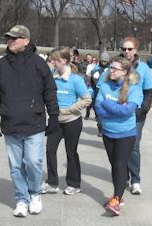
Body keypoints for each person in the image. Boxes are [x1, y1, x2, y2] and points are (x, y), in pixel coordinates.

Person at [0, 25, 59, 217]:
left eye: (14, 38)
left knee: (33, 162)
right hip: (10, 125)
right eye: (8, 38)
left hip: (34, 124)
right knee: (16, 166)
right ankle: (21, 199)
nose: (10, 41)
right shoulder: (0, 64)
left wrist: (54, 116)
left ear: (26, 40)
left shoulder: (38, 63)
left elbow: (50, 91)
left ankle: (35, 193)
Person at [95, 56, 143, 216]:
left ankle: (116, 198)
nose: (111, 70)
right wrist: (114, 110)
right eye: (110, 67)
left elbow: (126, 111)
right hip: (108, 132)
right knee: (114, 165)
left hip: (126, 134)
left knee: (120, 164)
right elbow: (97, 107)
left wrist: (107, 105)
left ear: (125, 72)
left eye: (115, 68)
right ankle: (119, 196)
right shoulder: (105, 84)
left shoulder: (134, 88)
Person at [42, 47, 91, 195]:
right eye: (51, 59)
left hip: (72, 121)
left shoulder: (76, 79)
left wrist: (71, 109)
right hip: (55, 121)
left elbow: (87, 99)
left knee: (71, 152)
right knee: (50, 149)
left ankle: (74, 183)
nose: (52, 62)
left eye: (54, 60)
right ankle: (52, 183)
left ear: (63, 61)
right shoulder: (51, 75)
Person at [122, 37, 152, 195]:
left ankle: (135, 180)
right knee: (122, 147)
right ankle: (123, 177)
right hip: (120, 112)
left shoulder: (144, 69)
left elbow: (149, 92)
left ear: (135, 50)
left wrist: (143, 110)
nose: (126, 52)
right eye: (124, 49)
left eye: (129, 49)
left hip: (136, 114)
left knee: (133, 146)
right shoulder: (118, 66)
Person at [90, 52, 111, 136]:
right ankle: (100, 128)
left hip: (107, 91)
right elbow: (92, 80)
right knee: (97, 108)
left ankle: (105, 127)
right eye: (102, 61)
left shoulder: (110, 69)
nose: (104, 63)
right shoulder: (96, 69)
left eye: (105, 61)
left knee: (106, 109)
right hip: (98, 90)